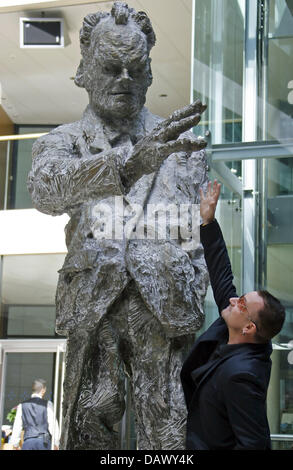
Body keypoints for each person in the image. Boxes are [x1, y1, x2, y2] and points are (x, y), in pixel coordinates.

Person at [27, 2, 209, 449]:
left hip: (164, 310)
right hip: (94, 307)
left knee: (168, 434)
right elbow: (46, 191)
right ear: (84, 73)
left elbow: (189, 235)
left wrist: (194, 288)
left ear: (149, 75)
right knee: (90, 422)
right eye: (111, 68)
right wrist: (129, 163)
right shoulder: (63, 141)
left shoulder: (181, 149)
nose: (124, 80)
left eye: (135, 69)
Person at [180, 179, 286, 450]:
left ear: (249, 327)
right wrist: (208, 222)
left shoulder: (242, 376)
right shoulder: (238, 335)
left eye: (241, 303)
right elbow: (222, 277)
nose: (231, 299)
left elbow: (254, 445)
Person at [10, 379, 59, 450]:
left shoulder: (22, 405)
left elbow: (17, 426)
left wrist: (15, 444)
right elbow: (53, 425)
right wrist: (56, 443)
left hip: (28, 443)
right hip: (43, 443)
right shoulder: (48, 404)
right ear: (43, 390)